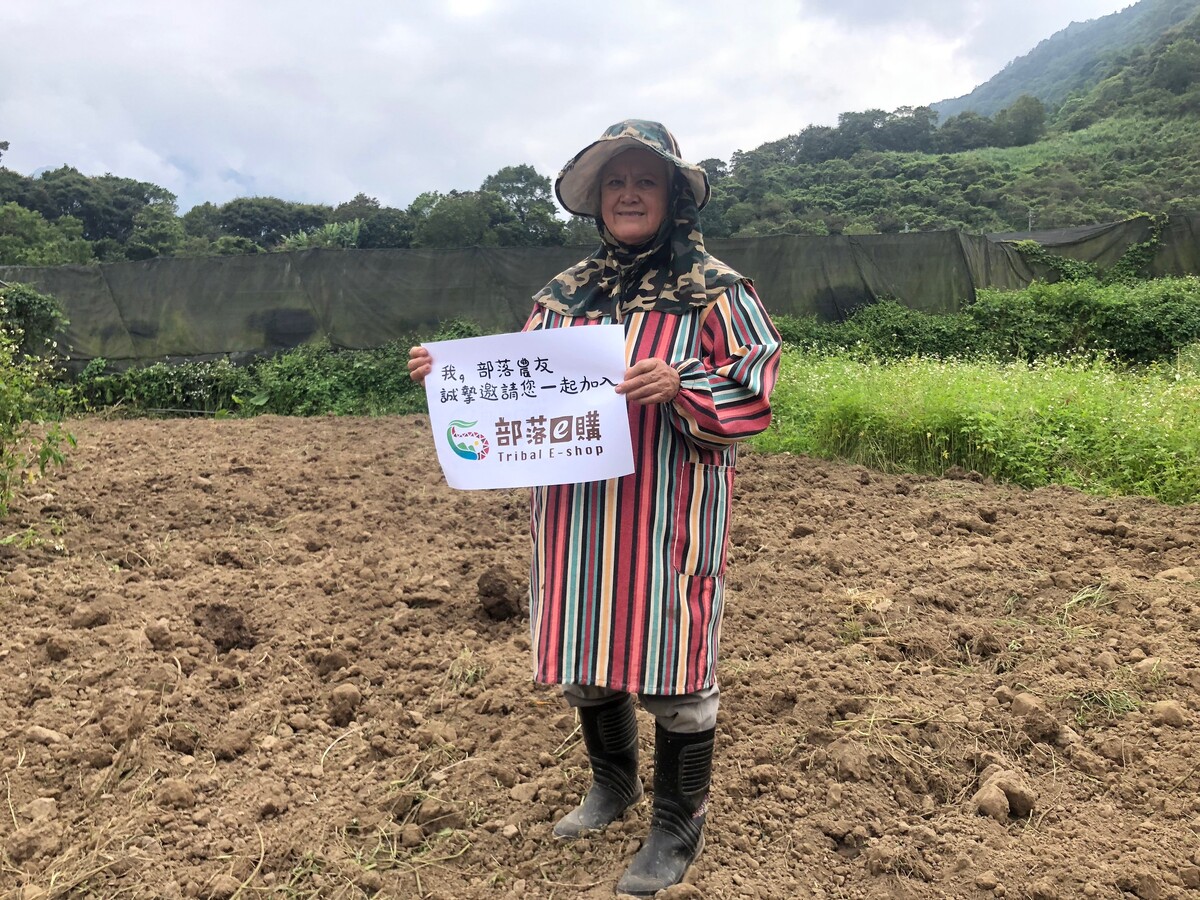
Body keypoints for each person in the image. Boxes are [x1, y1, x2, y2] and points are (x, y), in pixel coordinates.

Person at [408, 119, 781, 896]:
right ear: (597, 201)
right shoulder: (562, 296)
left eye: (646, 180)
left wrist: (682, 385)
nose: (629, 194)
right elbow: (519, 388)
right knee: (585, 653)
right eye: (616, 182)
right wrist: (448, 380)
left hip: (666, 508)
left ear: (674, 193)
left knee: (675, 663)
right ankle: (614, 786)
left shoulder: (718, 292)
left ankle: (679, 824)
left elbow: (754, 387)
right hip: (577, 515)